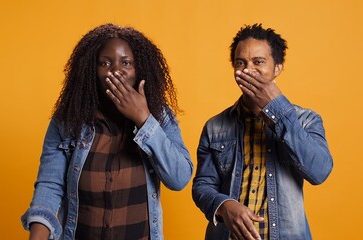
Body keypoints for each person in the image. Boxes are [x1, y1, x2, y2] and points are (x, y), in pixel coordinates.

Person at [21, 23, 193, 240]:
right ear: (91, 70)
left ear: (139, 69)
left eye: (126, 63)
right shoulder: (68, 120)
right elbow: (50, 185)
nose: (116, 70)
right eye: (105, 63)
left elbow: (179, 179)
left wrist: (144, 119)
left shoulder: (159, 115)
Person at [192, 23, 333, 240]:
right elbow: (203, 185)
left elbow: (319, 171)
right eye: (241, 63)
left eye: (258, 62)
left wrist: (277, 110)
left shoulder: (306, 120)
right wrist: (224, 205)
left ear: (277, 67)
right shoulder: (216, 126)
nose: (248, 70)